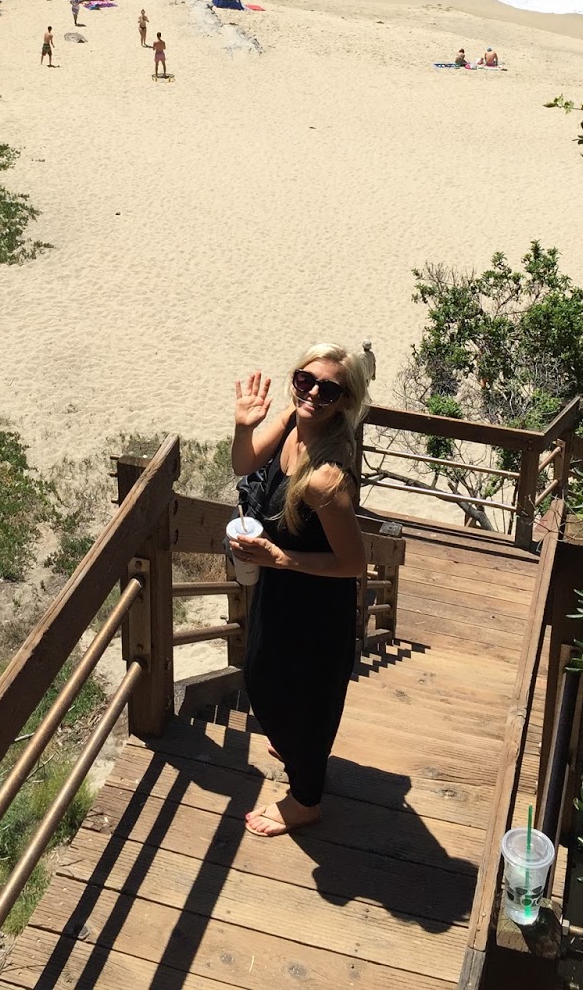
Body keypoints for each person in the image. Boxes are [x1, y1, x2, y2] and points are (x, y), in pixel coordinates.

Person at [229, 345, 369, 837]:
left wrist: (279, 558)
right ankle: (293, 744)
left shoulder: (325, 479)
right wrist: (246, 423)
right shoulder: (293, 419)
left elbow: (355, 563)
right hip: (279, 587)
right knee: (263, 680)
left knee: (304, 700)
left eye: (328, 389)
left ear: (344, 400)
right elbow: (243, 461)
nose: (312, 393)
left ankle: (306, 799)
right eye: (305, 379)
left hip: (315, 605)